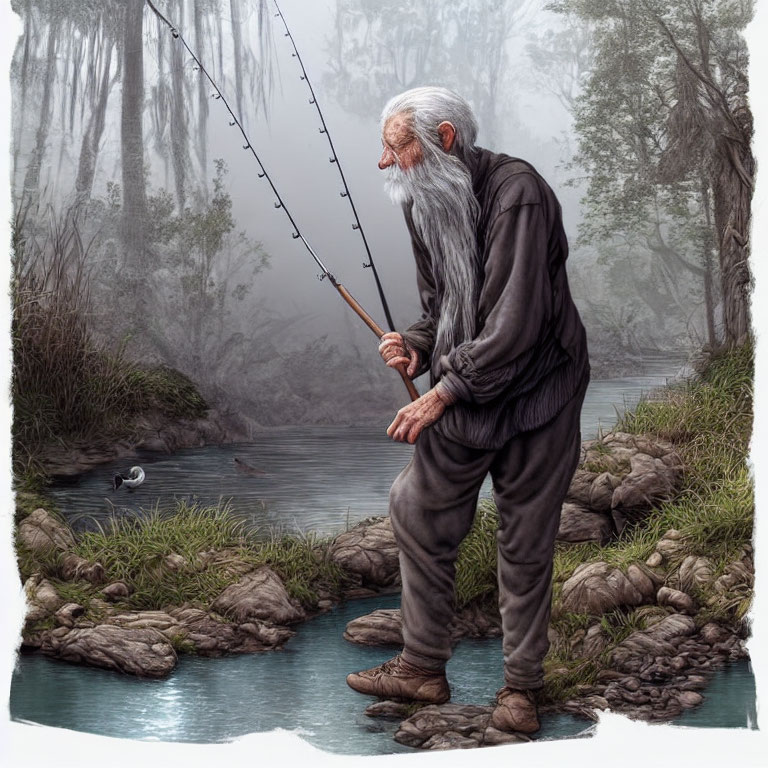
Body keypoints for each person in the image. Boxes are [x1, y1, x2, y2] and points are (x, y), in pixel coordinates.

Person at [345, 86, 590, 734]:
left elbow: (514, 324)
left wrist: (441, 391)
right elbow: (443, 308)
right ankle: (423, 666)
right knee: (418, 508)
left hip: (539, 391)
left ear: (445, 139)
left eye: (397, 149)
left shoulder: (520, 193)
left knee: (526, 537)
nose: (384, 164)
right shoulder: (423, 199)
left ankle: (521, 688)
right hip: (465, 387)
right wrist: (417, 345)